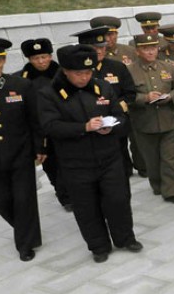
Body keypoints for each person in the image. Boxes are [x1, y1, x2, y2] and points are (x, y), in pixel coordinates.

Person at [38, 44, 142, 263]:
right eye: (78, 73)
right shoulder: (49, 94)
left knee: (118, 200)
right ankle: (98, 246)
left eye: (88, 72)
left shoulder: (103, 87)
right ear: (65, 71)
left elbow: (122, 117)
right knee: (86, 207)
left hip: (109, 157)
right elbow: (49, 126)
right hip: (76, 162)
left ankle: (125, 238)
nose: (84, 77)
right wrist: (83, 128)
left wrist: (111, 126)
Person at [0, 37, 43, 261]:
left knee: (24, 199)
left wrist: (40, 147)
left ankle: (24, 244)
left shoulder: (21, 85)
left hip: (20, 155)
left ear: (4, 61)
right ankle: (28, 229)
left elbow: (34, 120)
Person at [73, 26, 139, 177]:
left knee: (121, 159)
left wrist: (114, 111)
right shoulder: (74, 71)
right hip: (87, 125)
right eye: (94, 48)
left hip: (114, 122)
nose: (99, 51)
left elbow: (130, 94)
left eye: (102, 47)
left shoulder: (117, 67)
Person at [128, 34, 174, 204]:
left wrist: (170, 96)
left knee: (171, 158)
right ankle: (157, 184)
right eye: (146, 48)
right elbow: (127, 95)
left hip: (170, 120)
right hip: (145, 122)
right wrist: (145, 98)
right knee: (151, 160)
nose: (151, 51)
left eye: (153, 47)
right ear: (138, 51)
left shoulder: (167, 67)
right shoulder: (129, 71)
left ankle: (171, 191)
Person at [15, 38, 69, 211]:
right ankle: (64, 196)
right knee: (51, 165)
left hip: (64, 126)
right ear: (29, 59)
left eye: (44, 57)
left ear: (50, 55)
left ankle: (72, 192)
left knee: (69, 162)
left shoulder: (65, 73)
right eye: (36, 58)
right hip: (41, 132)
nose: (41, 61)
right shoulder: (21, 80)